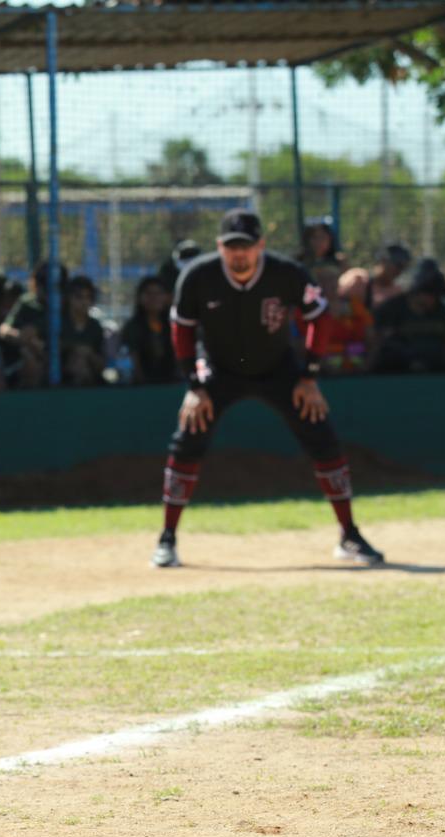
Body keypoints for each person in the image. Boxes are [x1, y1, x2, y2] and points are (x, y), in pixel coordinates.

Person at [152, 208, 385, 569]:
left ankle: (349, 534)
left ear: (260, 245)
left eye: (246, 246)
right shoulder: (198, 276)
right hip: (218, 369)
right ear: (219, 246)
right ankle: (167, 539)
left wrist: (309, 377)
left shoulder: (285, 273)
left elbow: (319, 318)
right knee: (188, 438)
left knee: (321, 435)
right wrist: (194, 387)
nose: (239, 254)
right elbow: (181, 330)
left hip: (278, 368)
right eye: (231, 247)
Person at [371, 259, 445, 374]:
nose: (434, 300)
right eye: (429, 293)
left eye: (436, 295)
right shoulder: (392, 308)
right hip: (397, 372)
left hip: (436, 371)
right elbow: (379, 343)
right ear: (417, 292)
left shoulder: (439, 309)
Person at [1, 261, 67, 369]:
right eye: (44, 286)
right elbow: (4, 330)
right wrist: (22, 337)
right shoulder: (27, 302)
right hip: (30, 356)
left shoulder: (67, 307)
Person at [310, 264, 373, 375]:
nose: (329, 284)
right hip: (324, 370)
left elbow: (371, 336)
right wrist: (321, 366)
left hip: (357, 368)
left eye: (332, 279)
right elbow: (304, 343)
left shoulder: (355, 305)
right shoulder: (310, 309)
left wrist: (367, 364)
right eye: (324, 280)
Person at [116, 275, 176, 385]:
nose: (154, 298)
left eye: (159, 293)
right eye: (149, 293)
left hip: (172, 383)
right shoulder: (133, 327)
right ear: (139, 297)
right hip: (142, 386)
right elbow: (132, 360)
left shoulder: (173, 324)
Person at [366, 244, 412, 308]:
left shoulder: (398, 293)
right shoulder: (362, 283)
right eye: (398, 266)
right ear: (384, 261)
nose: (400, 271)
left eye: (404, 268)